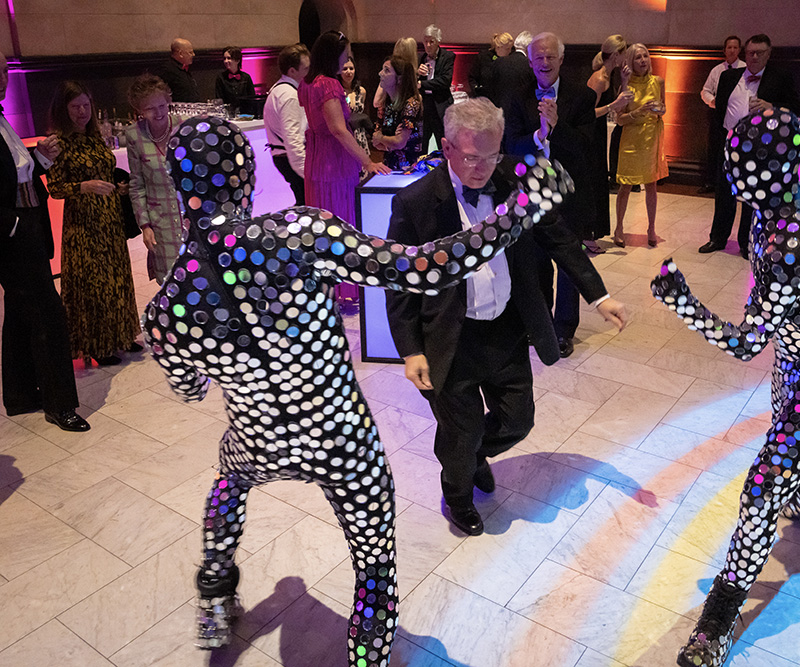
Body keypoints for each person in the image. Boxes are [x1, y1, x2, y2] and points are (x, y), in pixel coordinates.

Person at [147, 114, 557, 663]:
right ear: (246, 172)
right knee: (373, 562)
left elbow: (192, 390)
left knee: (228, 484)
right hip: (340, 440)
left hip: (257, 439)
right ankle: (368, 657)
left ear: (179, 186)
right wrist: (520, 210)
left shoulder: (167, 307)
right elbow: (427, 269)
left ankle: (215, 598)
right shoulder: (299, 234)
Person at [652, 108, 800, 667]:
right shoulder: (783, 205)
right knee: (795, 444)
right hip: (798, 363)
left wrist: (682, 302)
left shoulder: (791, 240)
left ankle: (719, 621)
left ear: (763, 170)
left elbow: (747, 343)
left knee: (762, 488)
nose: (730, 169)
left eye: (739, 162)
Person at [385, 98, 628, 536]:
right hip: (450, 340)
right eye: (472, 157)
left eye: (492, 155)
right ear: (447, 148)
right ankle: (457, 495)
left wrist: (599, 295)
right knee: (461, 434)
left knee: (518, 422)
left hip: (507, 331)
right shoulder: (416, 202)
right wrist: (410, 349)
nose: (483, 168)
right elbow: (401, 283)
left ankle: (475, 453)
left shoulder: (516, 182)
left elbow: (560, 240)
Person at [0, 54, 89, 432]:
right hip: (13, 233)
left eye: (4, 69)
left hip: (27, 225)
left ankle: (21, 395)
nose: (3, 77)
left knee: (21, 311)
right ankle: (60, 404)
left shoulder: (2, 117)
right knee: (50, 314)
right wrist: (13, 227)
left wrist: (40, 158)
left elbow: (14, 172)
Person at [505, 32, 598, 359]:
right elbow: (511, 145)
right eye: (538, 58)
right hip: (531, 191)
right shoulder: (518, 97)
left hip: (569, 192)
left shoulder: (582, 97)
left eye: (550, 57)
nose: (544, 63)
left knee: (568, 262)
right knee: (537, 260)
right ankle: (541, 323)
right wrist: (538, 135)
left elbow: (587, 146)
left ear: (561, 59)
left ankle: (564, 329)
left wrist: (557, 128)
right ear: (530, 62)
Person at [46, 80, 141, 367]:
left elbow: (105, 172)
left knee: (116, 279)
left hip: (109, 219)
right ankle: (97, 344)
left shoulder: (95, 137)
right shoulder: (58, 143)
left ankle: (121, 335)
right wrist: (84, 186)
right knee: (94, 285)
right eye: (75, 107)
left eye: (86, 105)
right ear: (64, 110)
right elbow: (55, 187)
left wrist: (118, 186)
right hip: (84, 226)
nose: (82, 112)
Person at [298, 30, 390, 308]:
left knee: (321, 227)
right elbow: (338, 129)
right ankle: (346, 292)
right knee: (342, 224)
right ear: (332, 55)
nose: (348, 58)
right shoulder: (329, 85)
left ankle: (326, 291)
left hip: (316, 159)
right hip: (334, 162)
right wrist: (367, 161)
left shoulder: (308, 82)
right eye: (345, 53)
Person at [698, 33, 800, 260]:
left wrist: (771, 106)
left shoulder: (780, 77)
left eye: (759, 53)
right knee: (724, 192)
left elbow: (795, 107)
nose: (754, 57)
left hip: (760, 147)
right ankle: (718, 237)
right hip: (729, 143)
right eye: (751, 53)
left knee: (752, 195)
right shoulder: (728, 77)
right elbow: (720, 112)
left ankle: (747, 243)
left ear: (768, 54)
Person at [125, 74, 186, 284]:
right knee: (171, 284)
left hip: (191, 218)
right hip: (161, 222)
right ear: (140, 110)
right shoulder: (134, 135)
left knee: (198, 279)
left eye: (162, 106)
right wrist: (145, 226)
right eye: (150, 108)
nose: (159, 112)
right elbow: (137, 186)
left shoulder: (183, 127)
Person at [613, 43, 668, 248]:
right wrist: (638, 112)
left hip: (651, 137)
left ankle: (651, 228)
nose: (643, 60)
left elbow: (664, 108)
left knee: (651, 184)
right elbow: (619, 120)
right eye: (638, 57)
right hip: (631, 138)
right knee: (626, 184)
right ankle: (619, 228)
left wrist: (660, 110)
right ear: (631, 61)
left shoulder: (658, 81)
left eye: (645, 56)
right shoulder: (626, 86)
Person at [587, 34, 632, 249]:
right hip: (590, 136)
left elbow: (622, 101)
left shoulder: (610, 76)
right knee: (592, 183)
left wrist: (624, 82)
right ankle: (586, 235)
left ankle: (593, 233)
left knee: (598, 182)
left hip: (598, 135)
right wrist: (613, 105)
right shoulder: (599, 79)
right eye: (625, 53)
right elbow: (586, 113)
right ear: (616, 55)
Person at [263, 43, 310, 205]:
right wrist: (307, 173)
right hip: (290, 159)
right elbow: (293, 139)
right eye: (306, 69)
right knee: (307, 206)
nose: (309, 73)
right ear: (292, 71)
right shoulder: (290, 95)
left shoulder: (278, 89)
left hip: (284, 157)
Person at [699, 35, 744, 194]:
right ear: (724, 50)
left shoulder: (745, 68)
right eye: (729, 47)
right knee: (715, 149)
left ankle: (736, 184)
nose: (732, 50)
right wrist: (713, 102)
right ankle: (712, 182)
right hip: (718, 115)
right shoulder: (717, 70)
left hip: (738, 118)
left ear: (739, 49)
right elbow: (705, 91)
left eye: (735, 47)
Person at [373, 55, 423, 170]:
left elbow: (400, 142)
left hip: (409, 169)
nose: (380, 73)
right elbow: (376, 142)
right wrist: (389, 140)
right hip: (389, 167)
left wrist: (383, 137)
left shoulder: (411, 103)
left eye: (386, 70)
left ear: (399, 78)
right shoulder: (385, 104)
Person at [418, 24, 455, 153]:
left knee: (443, 142)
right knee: (422, 142)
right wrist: (418, 74)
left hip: (441, 105)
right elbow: (413, 82)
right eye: (425, 41)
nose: (428, 45)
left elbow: (445, 81)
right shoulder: (420, 58)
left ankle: (444, 169)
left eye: (431, 41)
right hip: (425, 105)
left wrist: (422, 84)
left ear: (438, 41)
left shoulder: (448, 56)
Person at [338, 55, 371, 175]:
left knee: (362, 174)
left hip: (359, 135)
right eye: (345, 69)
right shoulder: (337, 91)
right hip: (345, 134)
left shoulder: (361, 91)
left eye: (351, 68)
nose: (348, 72)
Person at [468, 32, 513, 105]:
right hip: (484, 99)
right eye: (507, 49)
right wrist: (477, 90)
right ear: (498, 47)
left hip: (504, 100)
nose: (510, 51)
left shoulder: (511, 59)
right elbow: (472, 78)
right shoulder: (483, 57)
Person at [214, 46, 255, 111]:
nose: (226, 61)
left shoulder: (246, 78)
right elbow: (219, 100)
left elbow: (252, 99)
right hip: (228, 115)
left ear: (237, 60)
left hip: (245, 115)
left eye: (229, 58)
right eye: (224, 58)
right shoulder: (221, 77)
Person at [159, 38, 199, 103]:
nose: (193, 55)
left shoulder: (183, 68)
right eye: (190, 52)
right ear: (180, 54)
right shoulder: (167, 70)